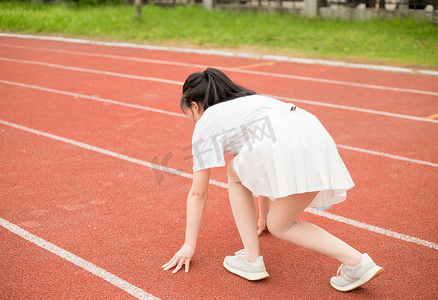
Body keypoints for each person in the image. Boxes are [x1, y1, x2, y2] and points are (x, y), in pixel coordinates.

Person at [162, 68, 383, 292]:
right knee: (279, 224)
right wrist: (265, 216)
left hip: (283, 143)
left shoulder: (207, 121)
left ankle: (251, 260)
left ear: (194, 105)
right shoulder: (252, 102)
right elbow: (259, 165)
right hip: (315, 134)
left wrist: (189, 245)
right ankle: (357, 262)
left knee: (234, 172)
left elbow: (198, 193)